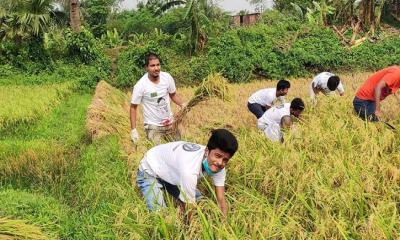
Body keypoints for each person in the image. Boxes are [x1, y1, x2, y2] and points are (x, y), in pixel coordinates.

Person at [136, 129, 238, 217]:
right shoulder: (190, 169)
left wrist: (224, 225)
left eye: (225, 160)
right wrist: (192, 230)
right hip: (151, 168)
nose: (220, 162)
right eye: (217, 156)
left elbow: (221, 200)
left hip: (171, 169)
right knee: (159, 215)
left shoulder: (219, 166)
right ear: (207, 151)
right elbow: (189, 207)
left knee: (201, 203)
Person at [130, 53, 185, 144]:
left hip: (170, 123)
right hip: (153, 127)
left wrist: (182, 104)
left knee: (178, 147)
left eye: (158, 65)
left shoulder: (167, 77)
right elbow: (133, 107)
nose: (156, 68)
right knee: (158, 151)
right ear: (146, 67)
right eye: (152, 66)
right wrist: (133, 130)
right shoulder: (141, 85)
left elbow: (173, 95)